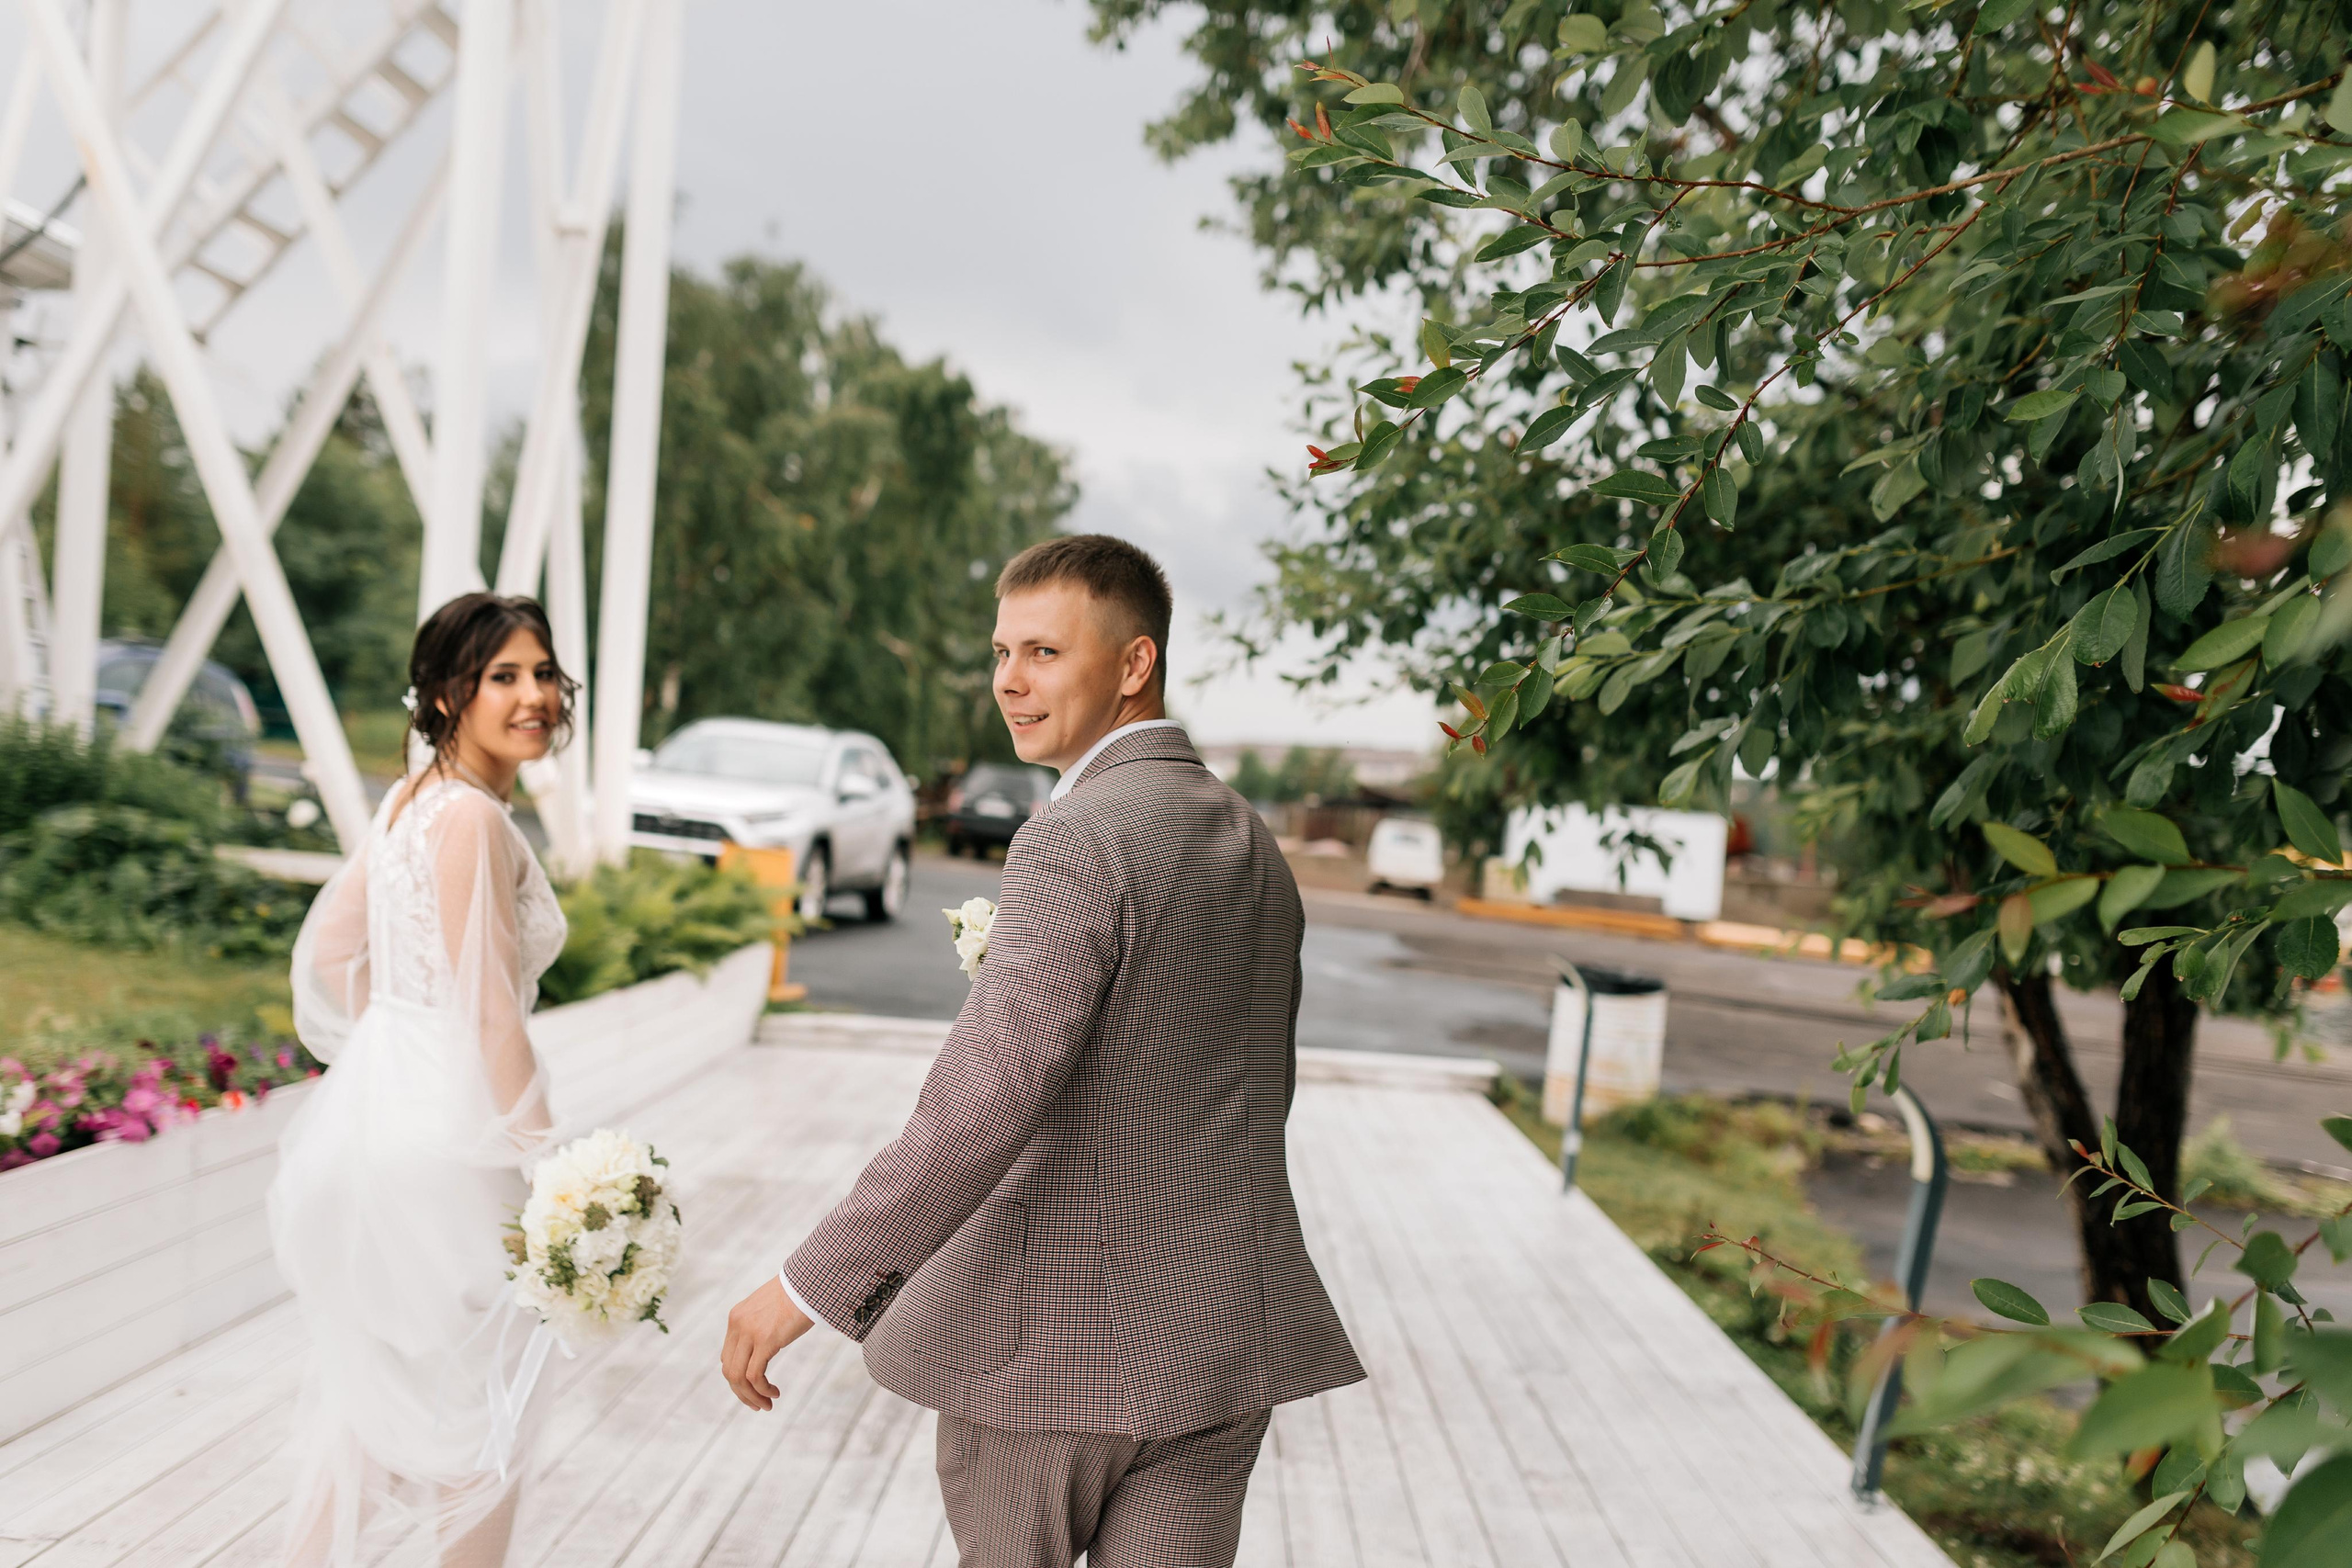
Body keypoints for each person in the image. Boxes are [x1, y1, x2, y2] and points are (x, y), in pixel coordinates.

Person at [720, 536, 1364, 1568]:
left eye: (1043, 654)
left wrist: (808, 1286)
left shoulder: (1075, 838)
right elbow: (1246, 1087)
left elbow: (980, 1104)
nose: (1008, 683)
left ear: (1132, 663)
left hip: (1056, 1353)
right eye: (1000, 652)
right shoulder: (1249, 839)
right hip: (1221, 1344)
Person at [270, 593, 575, 1567]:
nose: (533, 696)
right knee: (488, 1410)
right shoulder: (474, 821)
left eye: (541, 673)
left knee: (375, 1398)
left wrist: (396, 1049)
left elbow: (331, 959)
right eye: (504, 678)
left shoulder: (411, 801)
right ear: (447, 696)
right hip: (453, 1133)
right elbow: (488, 1012)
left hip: (379, 1115)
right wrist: (555, 1174)